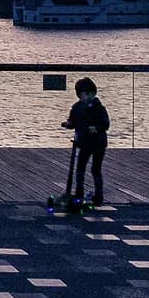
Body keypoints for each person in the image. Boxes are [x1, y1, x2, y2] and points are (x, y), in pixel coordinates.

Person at [61, 76, 109, 205]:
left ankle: (98, 195)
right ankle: (79, 192)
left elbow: (105, 124)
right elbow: (73, 121)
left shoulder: (98, 108)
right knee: (81, 167)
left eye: (88, 94)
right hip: (85, 142)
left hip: (97, 142)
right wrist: (67, 124)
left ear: (93, 93)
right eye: (83, 94)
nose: (85, 97)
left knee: (95, 168)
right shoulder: (77, 108)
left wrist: (95, 128)